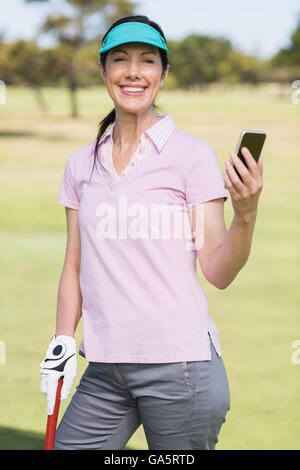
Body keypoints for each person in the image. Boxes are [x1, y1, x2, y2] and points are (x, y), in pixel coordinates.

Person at [39, 15, 264, 450]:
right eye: (120, 60)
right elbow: (75, 265)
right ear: (104, 72)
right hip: (104, 367)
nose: (133, 71)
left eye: (147, 60)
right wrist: (63, 338)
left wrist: (247, 213)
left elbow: (218, 270)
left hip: (180, 369)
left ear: (163, 73)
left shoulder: (191, 156)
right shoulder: (81, 165)